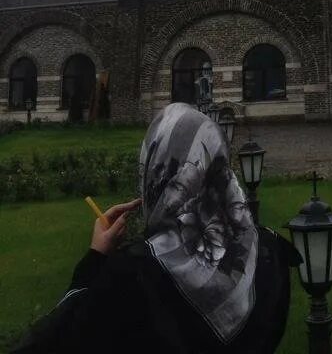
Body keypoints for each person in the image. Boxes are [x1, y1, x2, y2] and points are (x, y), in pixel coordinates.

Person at [13, 103, 300, 354]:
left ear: (154, 171)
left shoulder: (133, 275)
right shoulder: (269, 252)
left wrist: (95, 260)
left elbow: (55, 341)